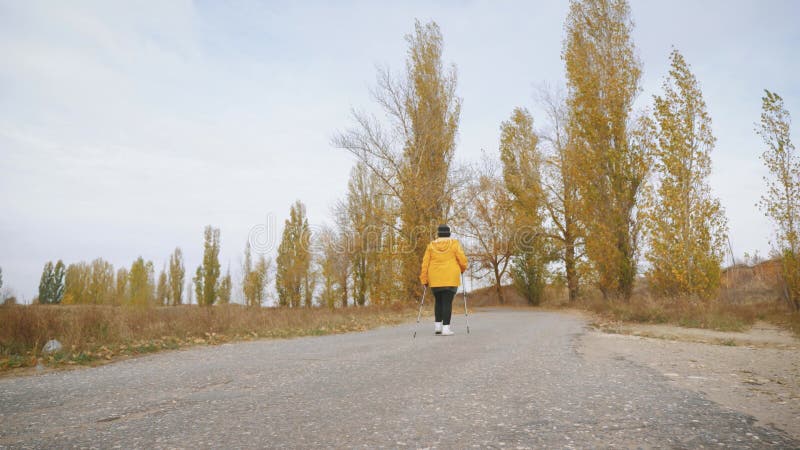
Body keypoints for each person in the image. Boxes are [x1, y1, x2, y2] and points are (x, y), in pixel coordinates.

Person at [419, 224, 468, 336]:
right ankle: (446, 329)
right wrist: (462, 268)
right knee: (447, 302)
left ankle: (437, 327)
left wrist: (424, 279)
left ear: (438, 234)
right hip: (451, 277)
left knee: (438, 301)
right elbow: (462, 260)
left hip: (435, 278)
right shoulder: (454, 244)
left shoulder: (431, 245)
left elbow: (425, 264)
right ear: (449, 233)